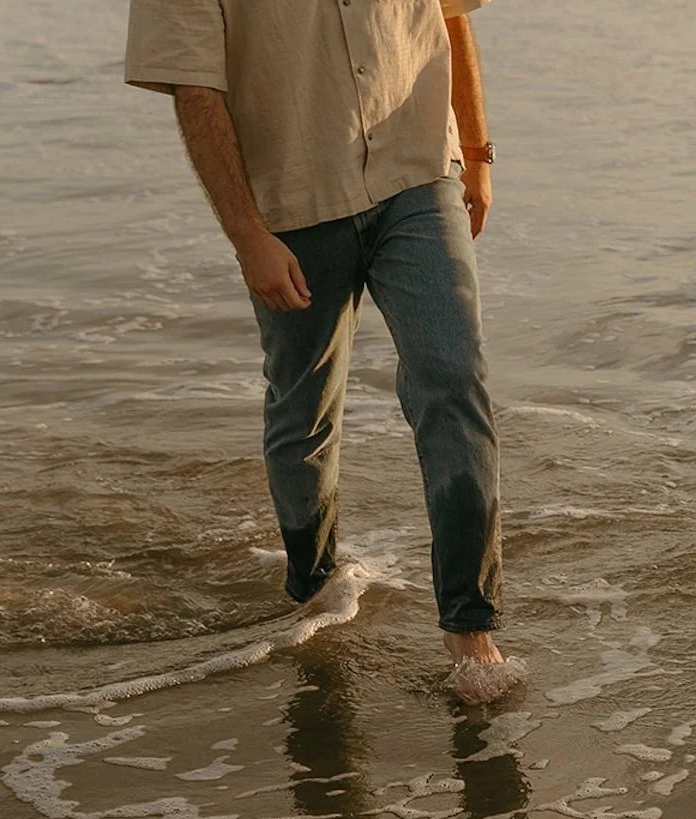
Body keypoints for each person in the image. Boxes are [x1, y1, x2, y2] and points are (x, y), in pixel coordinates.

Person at [125, 0, 522, 702]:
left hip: (418, 170)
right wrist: (248, 236)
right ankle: (312, 586)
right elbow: (195, 90)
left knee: (452, 377)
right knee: (304, 404)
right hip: (294, 198)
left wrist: (480, 154)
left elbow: (452, 18)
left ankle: (470, 626)